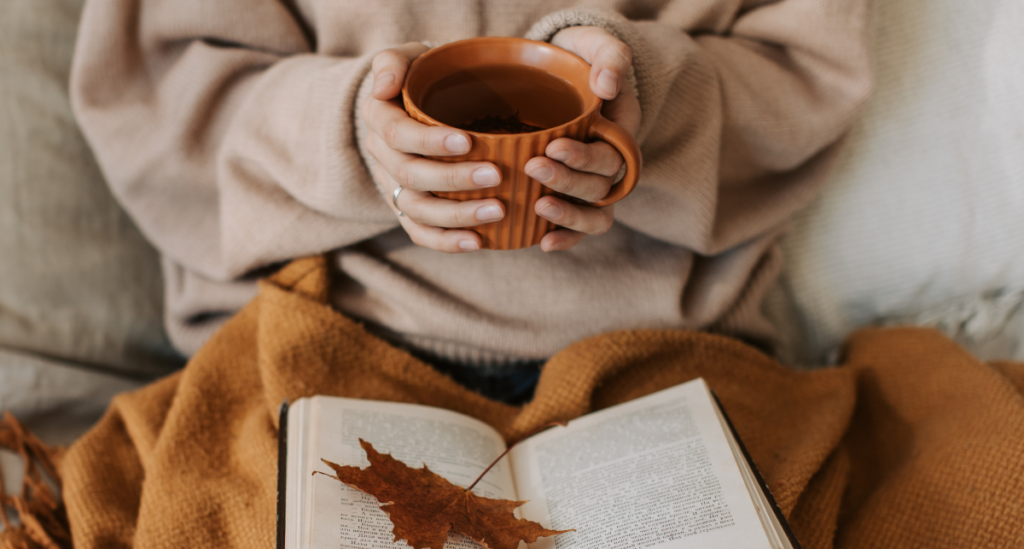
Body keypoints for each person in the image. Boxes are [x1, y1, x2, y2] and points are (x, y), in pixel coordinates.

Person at [70, 0, 872, 403]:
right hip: (319, 345)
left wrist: (644, 97)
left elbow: (803, 73)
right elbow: (157, 104)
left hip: (668, 357)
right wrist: (352, 130)